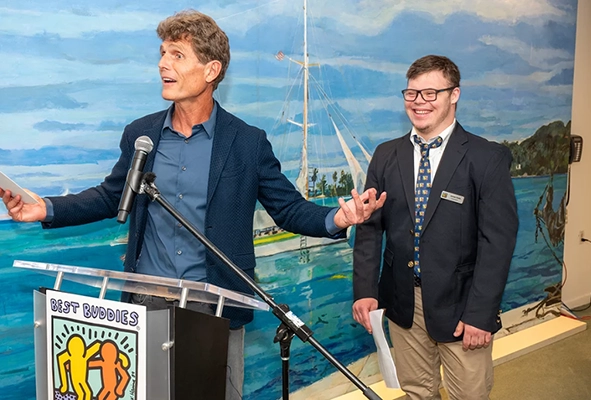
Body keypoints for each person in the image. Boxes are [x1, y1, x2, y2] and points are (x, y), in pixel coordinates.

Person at [0, 10, 386, 400]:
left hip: (215, 308)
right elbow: (111, 195)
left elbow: (287, 209)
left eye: (177, 55)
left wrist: (338, 217)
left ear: (211, 70)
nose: (163, 63)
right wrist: (44, 208)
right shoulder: (141, 135)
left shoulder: (247, 142)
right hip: (143, 305)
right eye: (163, 53)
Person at [351, 55, 518, 400]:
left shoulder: (487, 158)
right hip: (401, 304)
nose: (418, 103)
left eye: (430, 93)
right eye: (411, 94)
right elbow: (370, 228)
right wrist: (365, 289)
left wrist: (481, 314)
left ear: (454, 95)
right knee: (417, 393)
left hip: (462, 308)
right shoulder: (385, 155)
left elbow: (497, 242)